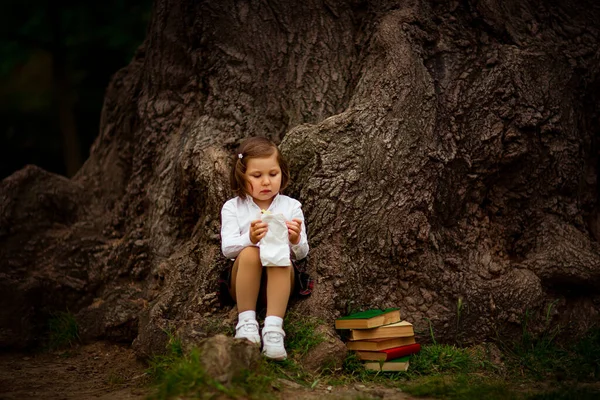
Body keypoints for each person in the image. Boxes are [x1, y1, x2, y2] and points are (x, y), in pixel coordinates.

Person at [220, 137, 309, 360]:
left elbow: (302, 252)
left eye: (273, 174)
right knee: (251, 252)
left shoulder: (291, 206)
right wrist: (249, 239)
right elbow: (228, 249)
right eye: (257, 176)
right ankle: (247, 323)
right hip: (243, 284)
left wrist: (295, 239)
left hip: (279, 284)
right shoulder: (233, 207)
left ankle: (273, 330)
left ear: (282, 173)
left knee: (280, 255)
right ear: (242, 176)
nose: (266, 182)